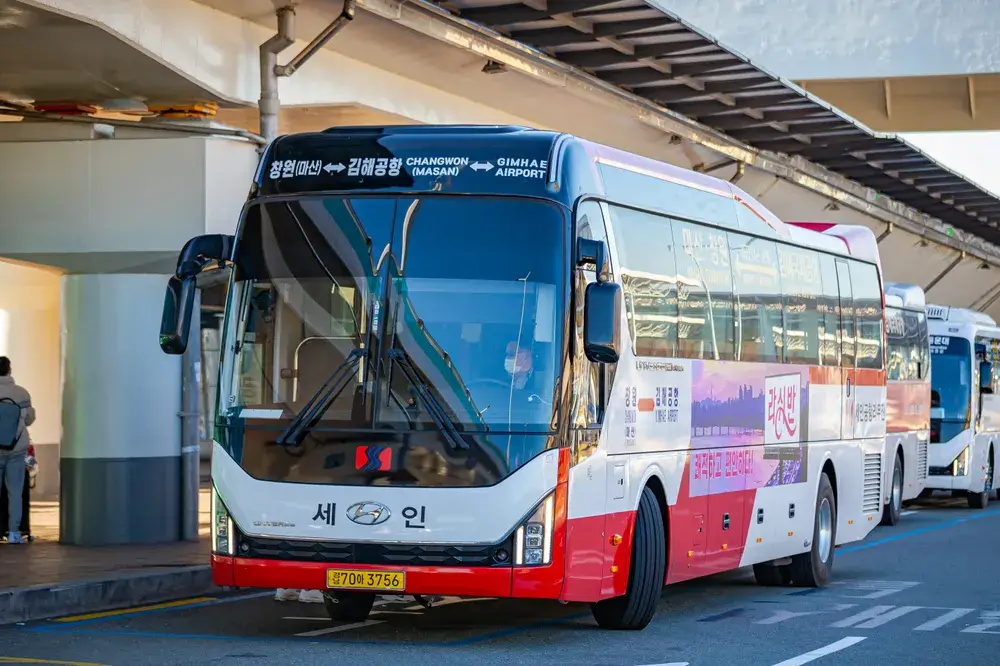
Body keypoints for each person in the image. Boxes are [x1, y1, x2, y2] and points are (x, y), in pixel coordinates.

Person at [0, 356, 35, 544]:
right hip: (16, 447)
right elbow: (29, 419)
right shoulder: (21, 393)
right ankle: (14, 533)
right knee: (15, 491)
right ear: (9, 370)